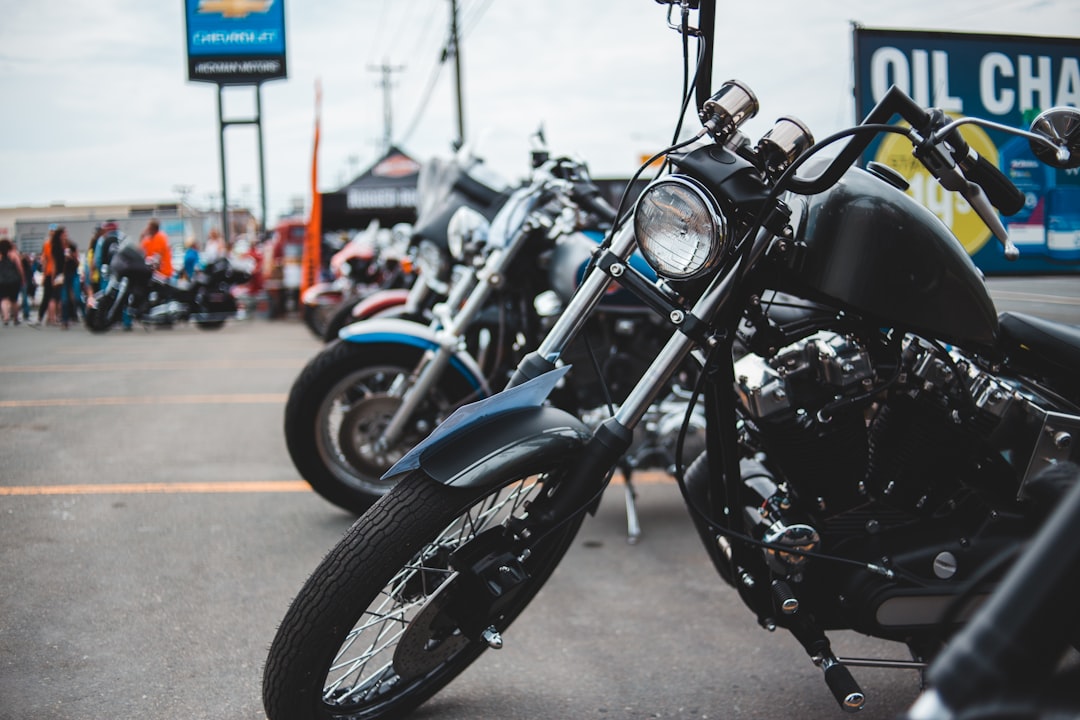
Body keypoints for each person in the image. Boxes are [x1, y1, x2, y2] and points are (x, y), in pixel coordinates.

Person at [36, 226, 68, 326]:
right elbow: (49, 261)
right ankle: (54, 318)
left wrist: (45, 274)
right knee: (54, 297)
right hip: (54, 274)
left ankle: (46, 318)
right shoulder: (56, 245)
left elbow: (44, 260)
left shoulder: (48, 244)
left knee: (48, 297)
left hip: (50, 273)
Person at [0, 237, 25, 325]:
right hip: (14, 280)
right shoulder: (13, 254)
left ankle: (6, 317)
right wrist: (23, 278)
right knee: (14, 300)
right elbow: (20, 268)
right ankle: (15, 318)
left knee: (3, 299)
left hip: (2, 281)